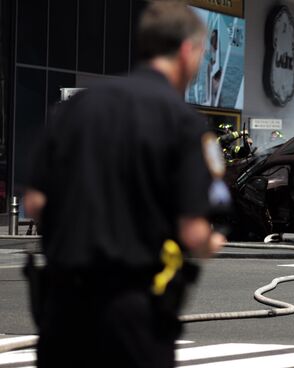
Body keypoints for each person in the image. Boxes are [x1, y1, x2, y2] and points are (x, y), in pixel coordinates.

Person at [23, 2, 226, 367]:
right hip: (133, 316)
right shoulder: (183, 123)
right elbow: (194, 233)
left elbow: (35, 203)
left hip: (63, 309)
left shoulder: (76, 109)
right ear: (186, 50)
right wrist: (212, 241)